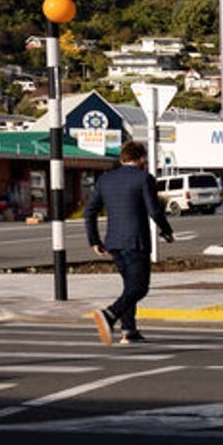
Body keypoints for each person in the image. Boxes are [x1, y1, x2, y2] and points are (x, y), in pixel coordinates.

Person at [84, 140, 174, 345]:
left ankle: (129, 329)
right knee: (140, 287)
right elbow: (154, 210)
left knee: (129, 286)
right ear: (142, 159)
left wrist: (94, 240)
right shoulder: (144, 179)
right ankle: (109, 314)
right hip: (136, 241)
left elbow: (90, 211)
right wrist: (166, 230)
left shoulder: (105, 180)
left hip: (114, 242)